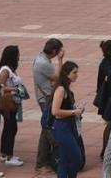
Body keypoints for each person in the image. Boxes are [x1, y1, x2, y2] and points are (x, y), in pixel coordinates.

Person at [33, 38, 64, 174]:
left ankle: (45, 161)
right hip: (46, 99)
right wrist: (61, 60)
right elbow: (61, 77)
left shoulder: (41, 58)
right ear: (54, 51)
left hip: (45, 97)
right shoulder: (44, 63)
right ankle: (42, 163)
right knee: (48, 130)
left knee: (46, 128)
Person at [51, 61, 85, 178]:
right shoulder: (61, 89)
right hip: (62, 127)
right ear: (66, 74)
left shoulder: (66, 88)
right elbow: (55, 111)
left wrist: (76, 110)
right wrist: (74, 112)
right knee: (76, 157)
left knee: (64, 159)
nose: (76, 75)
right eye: (74, 72)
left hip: (68, 126)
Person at [0, 45, 25, 168]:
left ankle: (4, 153)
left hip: (13, 102)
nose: (19, 56)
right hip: (8, 103)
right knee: (11, 128)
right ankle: (9, 155)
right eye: (17, 54)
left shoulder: (10, 69)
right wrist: (15, 89)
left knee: (9, 127)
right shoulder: (5, 70)